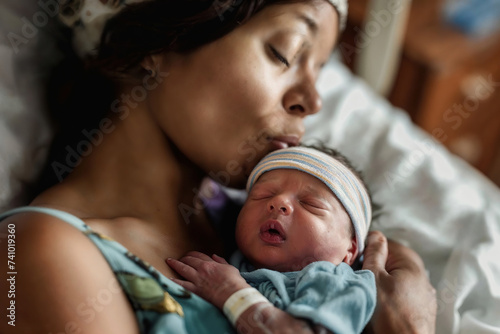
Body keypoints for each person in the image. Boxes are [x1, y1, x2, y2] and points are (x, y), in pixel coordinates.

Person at [0, 1, 437, 333]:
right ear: (158, 43)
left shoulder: (250, 221)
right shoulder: (39, 251)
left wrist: (409, 271)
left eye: (320, 72)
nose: (313, 100)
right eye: (284, 53)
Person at [167, 145, 377, 334]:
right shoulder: (229, 245)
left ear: (349, 250)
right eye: (262, 194)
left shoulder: (336, 282)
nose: (278, 202)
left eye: (310, 203)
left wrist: (231, 293)